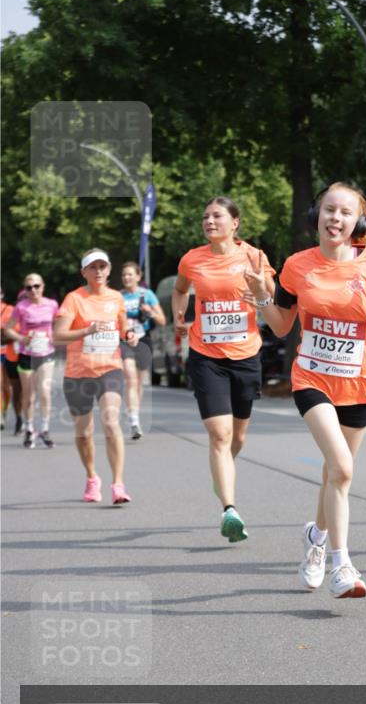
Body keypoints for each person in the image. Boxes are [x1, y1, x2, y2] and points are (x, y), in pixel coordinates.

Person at [244, 182, 366, 599]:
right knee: (343, 468)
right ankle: (341, 564)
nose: (335, 218)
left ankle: (315, 538)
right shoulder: (298, 265)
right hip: (312, 379)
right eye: (329, 210)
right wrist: (262, 297)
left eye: (345, 213)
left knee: (335, 474)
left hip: (359, 384)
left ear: (359, 222)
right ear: (316, 215)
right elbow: (281, 326)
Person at [172, 196, 275, 543]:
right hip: (206, 355)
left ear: (235, 223)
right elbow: (180, 289)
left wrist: (261, 286)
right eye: (205, 217)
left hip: (246, 354)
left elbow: (271, 295)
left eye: (217, 216)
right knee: (220, 435)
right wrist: (179, 314)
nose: (210, 221)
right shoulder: (192, 259)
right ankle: (229, 509)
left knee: (238, 437)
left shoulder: (254, 256)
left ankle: (223, 473)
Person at [53, 248, 139, 504]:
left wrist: (130, 336)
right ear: (84, 272)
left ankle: (118, 484)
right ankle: (92, 477)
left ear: (109, 269)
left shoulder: (116, 299)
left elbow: (123, 330)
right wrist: (86, 330)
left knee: (111, 421)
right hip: (78, 373)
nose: (98, 271)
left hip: (109, 369)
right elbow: (58, 335)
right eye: (93, 267)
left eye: (103, 266)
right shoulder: (74, 299)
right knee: (84, 432)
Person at [3, 273, 59, 448]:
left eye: (36, 286)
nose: (33, 290)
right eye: (29, 287)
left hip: (46, 353)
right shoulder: (21, 307)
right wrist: (21, 338)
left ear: (42, 287)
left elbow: (58, 324)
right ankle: (29, 429)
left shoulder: (52, 305)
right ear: (25, 290)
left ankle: (44, 429)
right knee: (28, 395)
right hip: (27, 355)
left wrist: (54, 336)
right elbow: (8, 329)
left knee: (44, 390)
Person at [120, 261, 166, 440]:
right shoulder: (118, 297)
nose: (126, 278)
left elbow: (162, 320)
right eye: (124, 275)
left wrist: (150, 312)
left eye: (130, 274)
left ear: (138, 277)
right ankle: (133, 421)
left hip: (143, 339)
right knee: (130, 378)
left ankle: (134, 414)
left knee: (139, 381)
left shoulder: (147, 295)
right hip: (125, 340)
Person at [0, 287, 23, 434]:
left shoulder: (10, 310)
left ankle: (4, 409)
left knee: (7, 386)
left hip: (7, 351)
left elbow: (17, 331)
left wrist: (4, 334)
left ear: (2, 294)